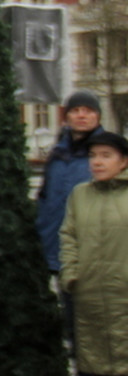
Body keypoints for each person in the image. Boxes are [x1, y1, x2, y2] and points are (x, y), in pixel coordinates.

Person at [38, 89, 105, 349]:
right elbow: (47, 200)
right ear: (67, 117)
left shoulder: (105, 153)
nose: (82, 116)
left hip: (97, 252)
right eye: (76, 111)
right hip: (61, 252)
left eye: (88, 111)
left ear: (97, 116)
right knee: (73, 326)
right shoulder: (57, 155)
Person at [60, 130, 128, 376]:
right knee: (92, 367)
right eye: (93, 156)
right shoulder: (80, 195)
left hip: (124, 297)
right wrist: (71, 275)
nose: (97, 162)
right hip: (89, 299)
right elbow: (68, 236)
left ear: (123, 161)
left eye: (106, 156)